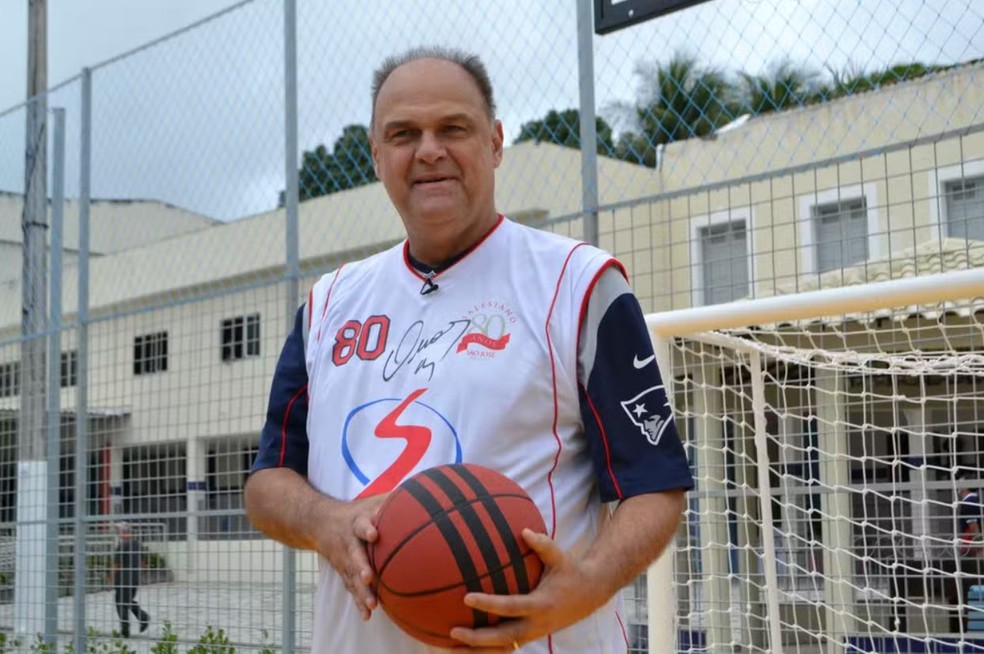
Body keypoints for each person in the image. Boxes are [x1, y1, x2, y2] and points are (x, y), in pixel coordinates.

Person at [244, 45, 693, 653]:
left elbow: (655, 483)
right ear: (377, 156)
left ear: (495, 143)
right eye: (403, 134)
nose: (428, 149)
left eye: (453, 128)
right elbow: (268, 482)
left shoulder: (579, 284)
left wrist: (587, 584)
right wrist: (325, 522)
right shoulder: (329, 304)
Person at [110, 523, 150, 638]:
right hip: (134, 579)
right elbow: (143, 561)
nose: (118, 534)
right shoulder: (137, 544)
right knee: (127, 601)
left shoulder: (122, 546)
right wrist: (140, 575)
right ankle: (142, 618)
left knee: (121, 603)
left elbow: (117, 564)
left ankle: (127, 629)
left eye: (118, 531)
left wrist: (110, 580)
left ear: (122, 532)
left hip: (123, 580)